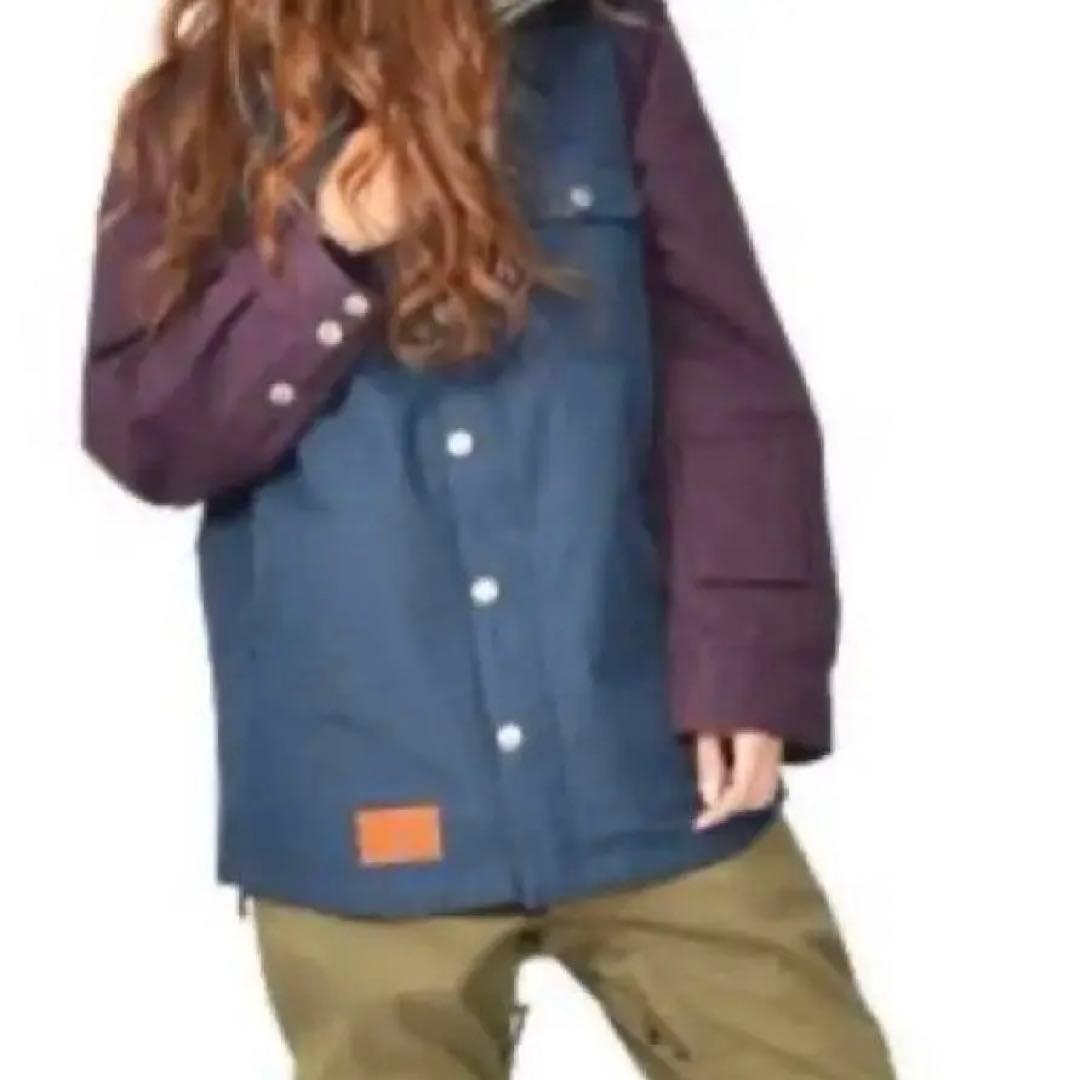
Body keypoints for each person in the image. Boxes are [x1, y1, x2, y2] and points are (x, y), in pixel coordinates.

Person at [80, 0, 895, 1075]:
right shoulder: (196, 110)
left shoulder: (612, 48)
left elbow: (726, 378)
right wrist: (325, 252)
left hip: (642, 762)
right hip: (360, 794)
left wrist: (747, 664)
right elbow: (147, 437)